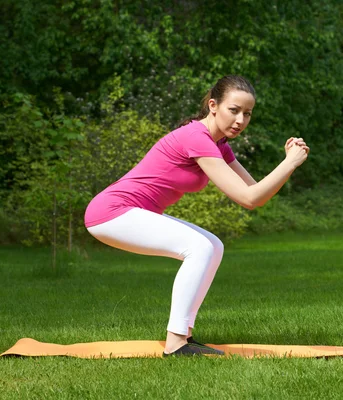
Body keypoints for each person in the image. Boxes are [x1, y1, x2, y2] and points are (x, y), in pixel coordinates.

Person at [84, 75, 309, 357]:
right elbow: (249, 199)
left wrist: (288, 165)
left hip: (129, 212)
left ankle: (184, 336)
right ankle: (176, 342)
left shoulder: (219, 145)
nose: (240, 120)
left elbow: (255, 193)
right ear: (213, 105)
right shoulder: (197, 137)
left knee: (213, 246)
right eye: (234, 110)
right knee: (199, 247)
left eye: (247, 113)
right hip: (111, 212)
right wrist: (289, 163)